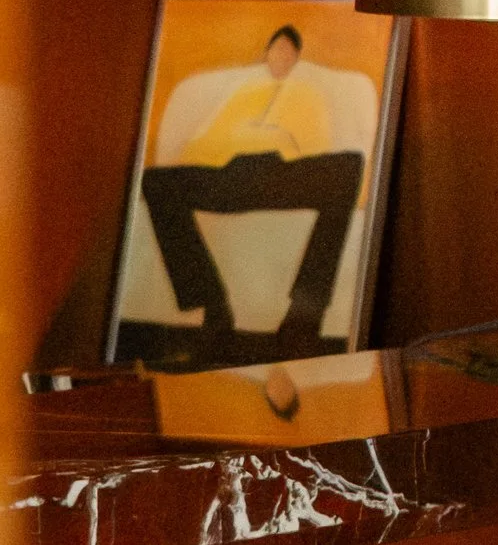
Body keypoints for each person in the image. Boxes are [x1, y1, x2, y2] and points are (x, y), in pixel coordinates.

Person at [139, 27, 366, 350]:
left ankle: (306, 311)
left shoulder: (308, 95)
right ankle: (213, 304)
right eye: (277, 49)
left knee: (349, 166)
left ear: (297, 59)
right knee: (155, 181)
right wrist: (237, 141)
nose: (282, 56)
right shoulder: (243, 94)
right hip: (235, 175)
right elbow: (203, 147)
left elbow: (316, 146)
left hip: (283, 175)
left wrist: (275, 137)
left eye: (289, 52)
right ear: (265, 54)